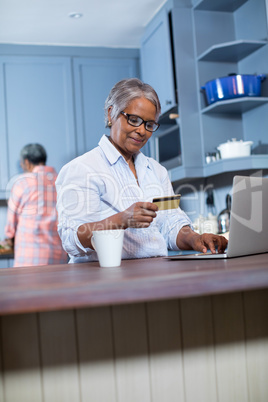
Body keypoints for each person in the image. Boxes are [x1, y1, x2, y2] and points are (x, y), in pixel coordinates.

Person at [56, 78, 227, 263]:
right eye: (134, 120)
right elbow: (71, 239)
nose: (141, 131)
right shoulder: (81, 169)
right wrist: (121, 219)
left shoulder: (157, 171)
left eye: (149, 124)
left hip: (157, 273)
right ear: (110, 113)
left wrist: (196, 239)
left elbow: (171, 224)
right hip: (103, 278)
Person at [5, 143, 68, 267]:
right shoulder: (61, 181)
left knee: (27, 286)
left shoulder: (22, 182)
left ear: (27, 162)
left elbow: (11, 224)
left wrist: (8, 237)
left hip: (29, 257)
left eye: (22, 165)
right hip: (58, 256)